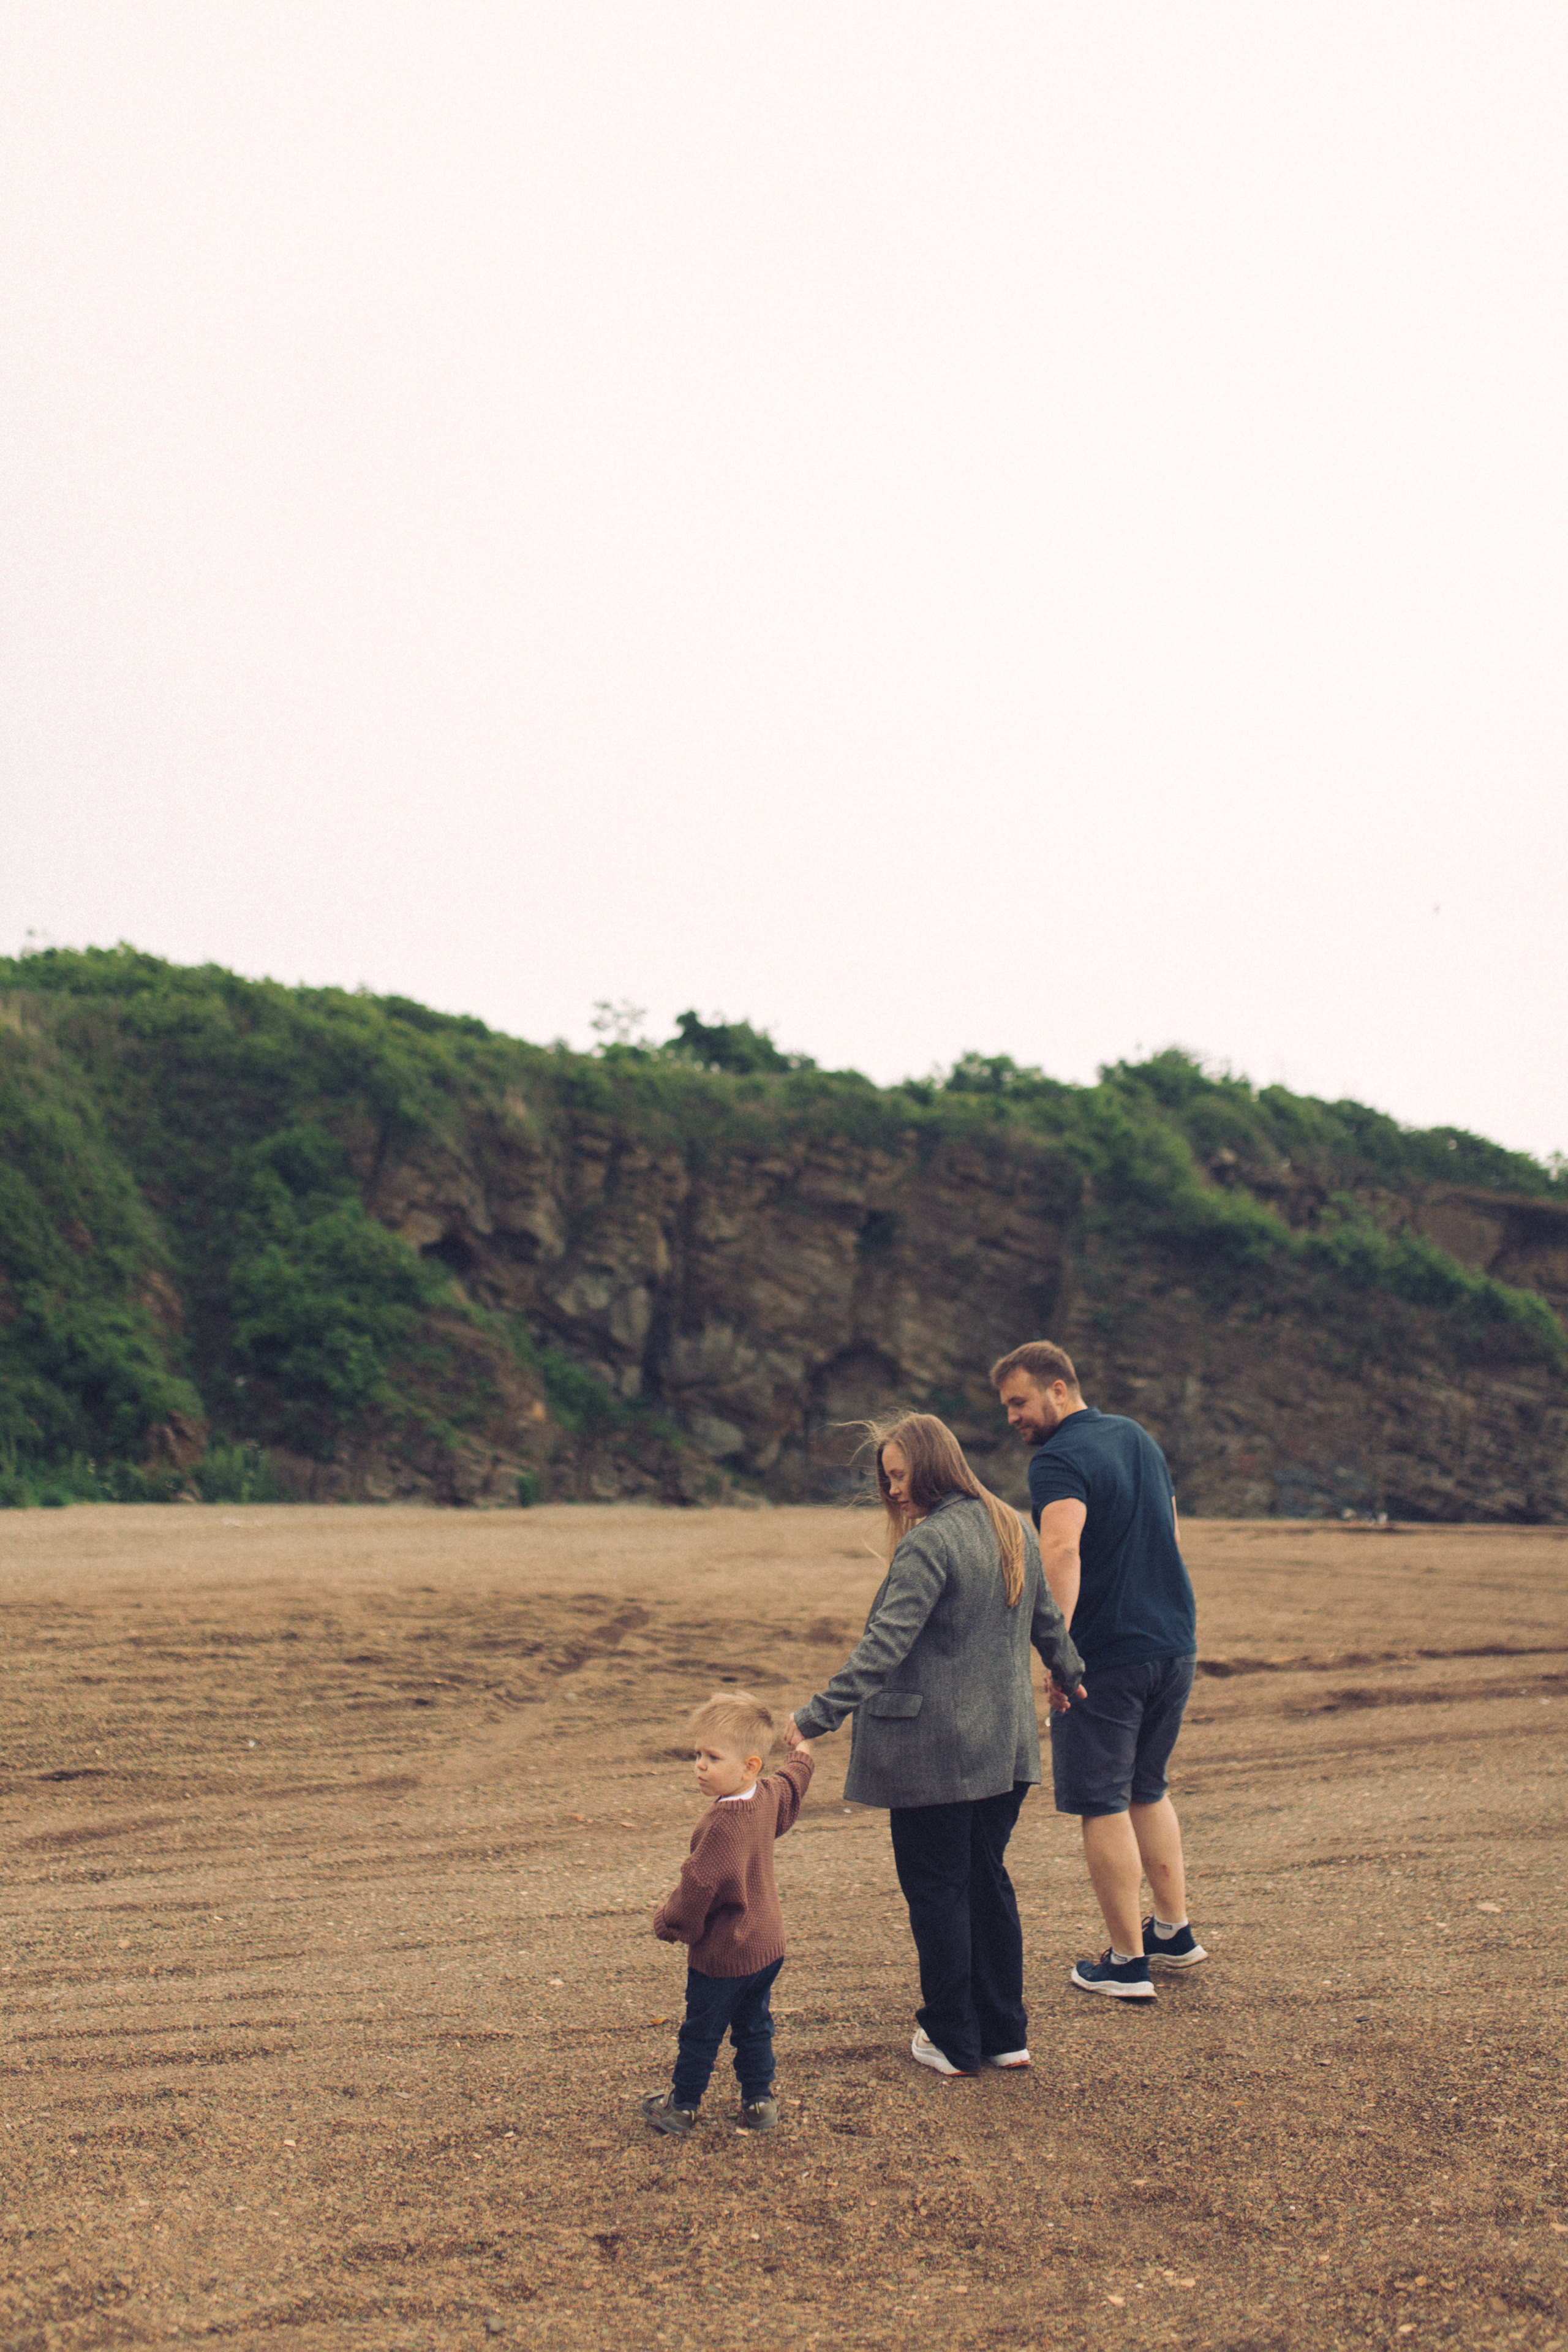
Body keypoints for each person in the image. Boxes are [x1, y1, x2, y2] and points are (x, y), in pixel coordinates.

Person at [784, 1414, 1083, 2078]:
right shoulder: (1010, 1526)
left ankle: (950, 2037)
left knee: (940, 1890)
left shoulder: (931, 1543)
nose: (892, 1490)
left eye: (899, 1474)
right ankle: (1005, 2035)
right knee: (985, 1884)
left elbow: (884, 1647)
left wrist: (816, 1716)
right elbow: (1047, 1623)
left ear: (932, 1465)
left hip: (936, 1753)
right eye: (886, 1477)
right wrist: (1069, 1674)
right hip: (1003, 1751)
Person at [990, 1340, 1206, 2000]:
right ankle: (1173, 1932)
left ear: (1059, 1389)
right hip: (1174, 1642)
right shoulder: (1136, 1437)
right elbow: (1168, 1533)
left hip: (1108, 1656)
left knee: (1103, 1800)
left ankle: (1127, 1962)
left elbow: (1060, 1548)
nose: (1012, 1418)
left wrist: (1061, 1652)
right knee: (1148, 1786)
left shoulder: (1059, 1459)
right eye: (1005, 1407)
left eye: (1019, 1402)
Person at [642, 1691, 814, 2136]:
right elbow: (793, 1781)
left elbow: (698, 1887)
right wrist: (803, 1753)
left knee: (701, 2031)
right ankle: (759, 2102)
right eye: (697, 1754)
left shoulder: (722, 1825)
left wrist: (671, 1924)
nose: (699, 1765)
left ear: (750, 1765)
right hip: (767, 1946)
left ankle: (682, 2106)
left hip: (724, 1955)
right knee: (754, 2024)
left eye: (713, 1757)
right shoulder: (768, 1795)